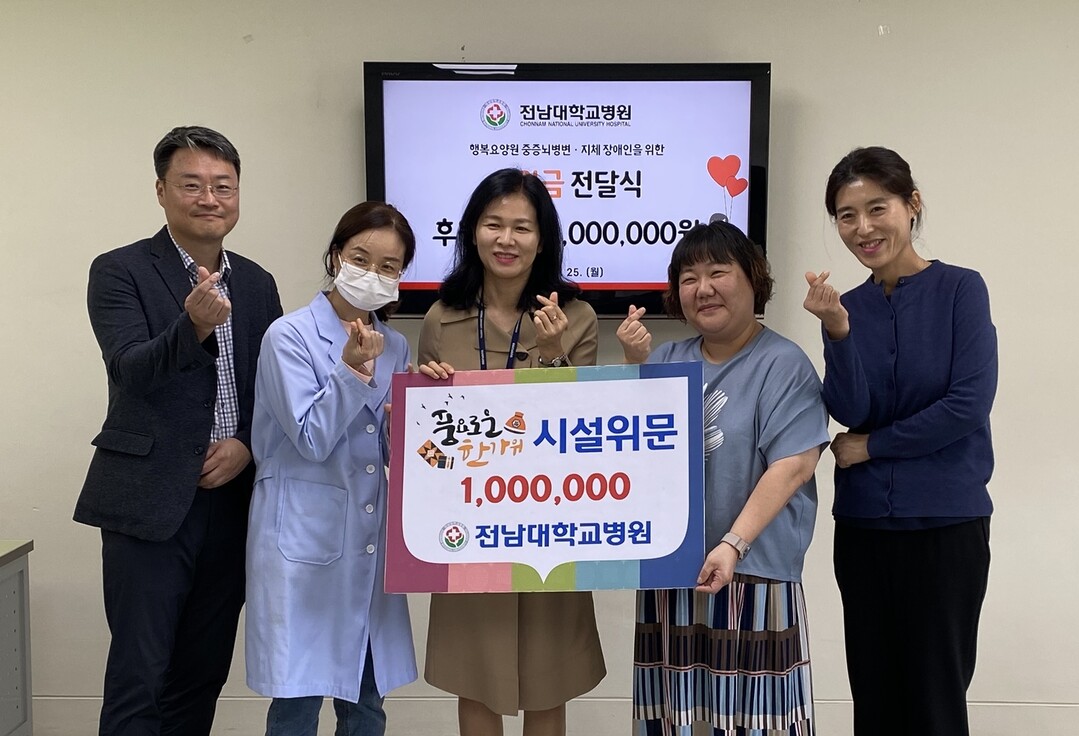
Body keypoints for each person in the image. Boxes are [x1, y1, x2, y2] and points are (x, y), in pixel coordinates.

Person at [75, 126, 283, 736]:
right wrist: (190, 327)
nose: (209, 198)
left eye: (223, 186)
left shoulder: (256, 282)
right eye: (191, 185)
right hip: (150, 500)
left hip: (232, 502)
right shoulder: (119, 270)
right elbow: (130, 370)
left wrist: (247, 444)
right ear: (161, 191)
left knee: (201, 673)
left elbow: (272, 389)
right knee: (140, 675)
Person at [802, 146, 996, 736]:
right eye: (846, 215)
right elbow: (850, 409)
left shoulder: (961, 289)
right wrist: (837, 331)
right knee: (875, 697)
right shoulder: (849, 307)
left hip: (945, 524)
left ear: (911, 205)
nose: (862, 228)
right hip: (864, 526)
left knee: (936, 698)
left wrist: (872, 447)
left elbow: (967, 404)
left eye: (876, 208)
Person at [617, 220, 829, 736]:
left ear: (753, 278)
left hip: (754, 575)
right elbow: (629, 459)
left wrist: (733, 544)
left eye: (718, 272)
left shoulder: (784, 362)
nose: (703, 288)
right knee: (676, 719)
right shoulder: (666, 360)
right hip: (674, 579)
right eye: (689, 278)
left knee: (752, 721)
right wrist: (632, 368)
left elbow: (794, 465)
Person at [417, 168, 605, 736]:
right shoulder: (440, 317)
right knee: (476, 674)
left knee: (549, 676)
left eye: (522, 227)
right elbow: (428, 441)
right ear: (472, 231)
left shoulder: (576, 317)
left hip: (548, 520)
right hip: (469, 522)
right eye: (493, 224)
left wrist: (551, 353)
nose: (506, 239)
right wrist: (424, 406)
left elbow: (579, 428)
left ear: (542, 240)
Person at [245, 202, 418, 736]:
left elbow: (392, 452)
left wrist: (423, 412)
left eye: (389, 266)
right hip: (302, 542)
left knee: (367, 702)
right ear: (336, 255)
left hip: (366, 541)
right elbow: (312, 437)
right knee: (296, 706)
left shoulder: (396, 345)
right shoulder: (288, 336)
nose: (372, 274)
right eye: (361, 258)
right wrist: (352, 369)